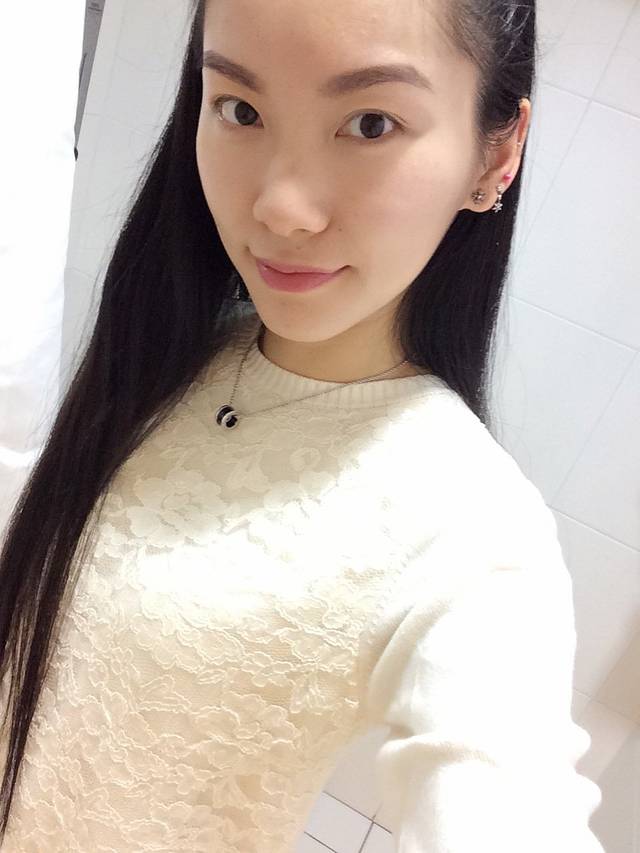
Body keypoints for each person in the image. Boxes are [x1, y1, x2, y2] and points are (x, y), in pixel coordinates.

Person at [0, 0, 606, 851]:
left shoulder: (473, 526)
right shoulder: (174, 349)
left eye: (370, 123)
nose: (282, 206)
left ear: (496, 152)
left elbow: (504, 791)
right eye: (240, 109)